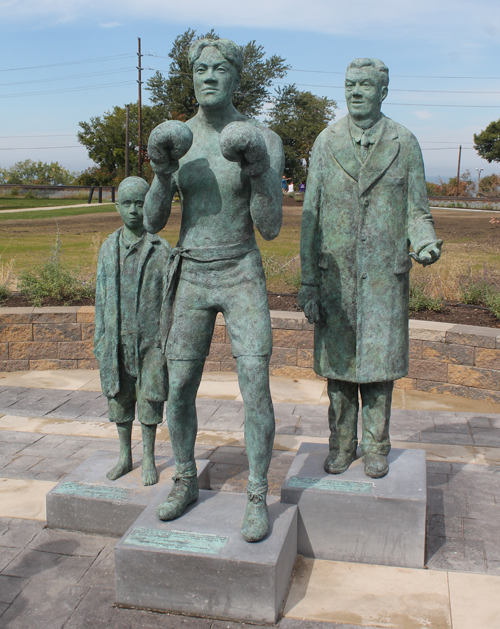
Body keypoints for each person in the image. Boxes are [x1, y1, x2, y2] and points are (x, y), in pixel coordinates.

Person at [143, 38, 284, 542]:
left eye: (219, 69)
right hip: (192, 273)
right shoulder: (179, 141)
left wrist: (260, 171)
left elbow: (269, 228)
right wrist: (161, 173)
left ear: (236, 78)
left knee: (255, 387)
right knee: (179, 386)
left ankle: (256, 494)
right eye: (200, 69)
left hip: (241, 270)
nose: (208, 77)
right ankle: (183, 477)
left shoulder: (262, 137)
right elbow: (154, 222)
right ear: (192, 76)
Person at [298, 58, 442, 479]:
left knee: (379, 372)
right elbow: (311, 218)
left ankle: (377, 446)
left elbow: (417, 211)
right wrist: (308, 282)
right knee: (339, 374)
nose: (356, 91)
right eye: (349, 84)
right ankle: (342, 445)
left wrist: (425, 241)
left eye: (365, 84)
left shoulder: (405, 142)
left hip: (384, 278)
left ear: (383, 91)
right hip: (335, 280)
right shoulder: (326, 143)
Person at [94, 177, 171, 486]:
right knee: (120, 399)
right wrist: (100, 339)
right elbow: (100, 297)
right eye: (127, 204)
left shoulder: (161, 249)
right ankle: (125, 456)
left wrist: (165, 342)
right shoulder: (108, 248)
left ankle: (149, 457)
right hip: (116, 340)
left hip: (151, 343)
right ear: (117, 208)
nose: (134, 211)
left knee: (150, 400)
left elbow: (170, 300)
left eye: (140, 204)